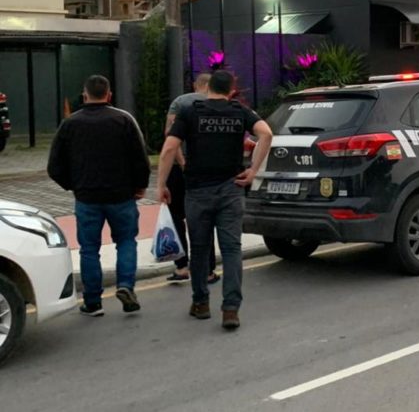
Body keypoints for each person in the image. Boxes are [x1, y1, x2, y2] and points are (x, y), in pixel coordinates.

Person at [156, 70, 272, 330]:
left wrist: (161, 184)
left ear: (206, 89)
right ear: (231, 90)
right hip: (231, 189)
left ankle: (201, 303)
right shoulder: (239, 111)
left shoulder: (190, 111)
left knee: (199, 249)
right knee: (231, 250)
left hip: (198, 191)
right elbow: (266, 134)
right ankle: (231, 309)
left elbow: (169, 148)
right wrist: (253, 171)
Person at [47, 75, 150, 317]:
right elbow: (140, 159)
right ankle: (126, 285)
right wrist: (140, 186)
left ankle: (92, 302)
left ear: (85, 96)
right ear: (109, 95)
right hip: (121, 196)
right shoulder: (123, 120)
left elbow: (54, 166)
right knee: (126, 242)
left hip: (87, 198)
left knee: (89, 249)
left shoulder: (70, 124)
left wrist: (73, 185)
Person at [163, 73, 218, 284]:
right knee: (204, 220)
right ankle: (207, 270)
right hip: (205, 170)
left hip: (179, 169)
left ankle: (181, 266)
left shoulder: (180, 101)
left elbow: (170, 135)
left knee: (176, 217)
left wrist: (182, 160)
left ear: (196, 84)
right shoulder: (218, 104)